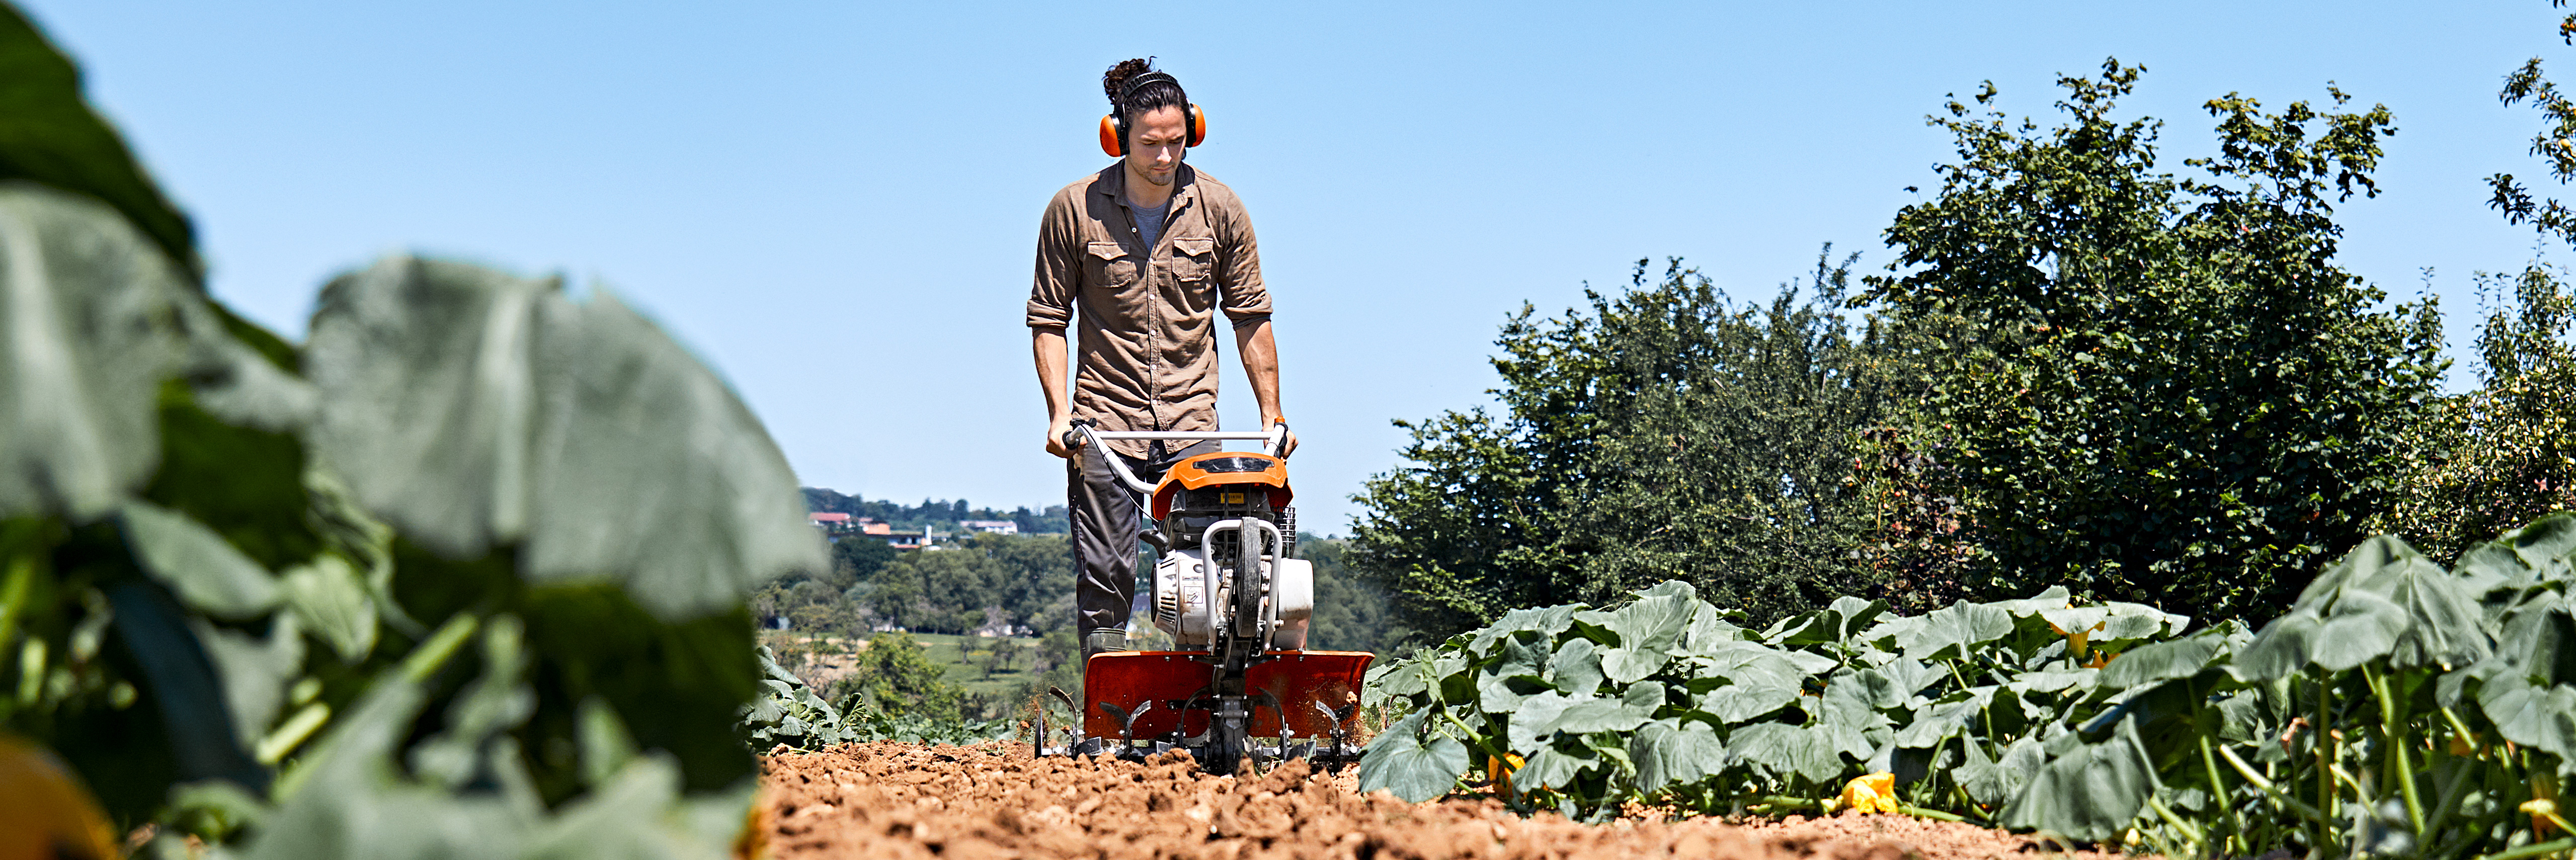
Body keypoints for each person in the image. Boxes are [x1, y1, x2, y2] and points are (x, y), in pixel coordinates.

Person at [1027, 58, 1296, 660]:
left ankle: (1213, 707)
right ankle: (1107, 723)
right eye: (1150, 143)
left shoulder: (1220, 209)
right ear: (1117, 136)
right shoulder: (1073, 211)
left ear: (1192, 132)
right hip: (1104, 422)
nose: (1165, 156)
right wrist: (1056, 415)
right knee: (1107, 576)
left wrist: (1272, 415)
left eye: (1176, 141)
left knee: (1218, 572)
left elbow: (1249, 315)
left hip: (1193, 420)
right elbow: (1049, 320)